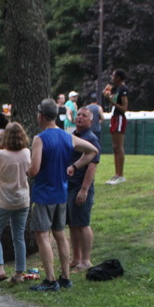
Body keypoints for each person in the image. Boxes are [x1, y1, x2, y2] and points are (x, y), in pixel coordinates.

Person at [28, 98, 98, 291]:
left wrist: (26, 171)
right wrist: (75, 166)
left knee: (43, 236)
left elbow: (34, 170)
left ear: (41, 116)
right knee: (60, 234)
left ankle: (50, 280)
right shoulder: (68, 136)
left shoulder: (40, 139)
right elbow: (92, 151)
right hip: (61, 193)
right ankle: (65, 277)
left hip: (44, 194)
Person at [0, 122, 30, 286]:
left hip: (4, 200)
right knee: (19, 236)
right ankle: (19, 273)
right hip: (22, 199)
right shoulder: (26, 152)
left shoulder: (0, 155)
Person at [68, 106, 101, 272]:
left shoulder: (91, 139)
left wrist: (84, 190)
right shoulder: (73, 136)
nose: (80, 117)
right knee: (73, 224)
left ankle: (86, 260)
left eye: (84, 116)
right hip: (69, 186)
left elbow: (92, 167)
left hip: (80, 187)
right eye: (78, 114)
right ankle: (76, 258)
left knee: (83, 224)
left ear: (91, 121)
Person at [103, 69, 129, 184]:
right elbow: (109, 98)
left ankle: (121, 175)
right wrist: (107, 94)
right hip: (114, 117)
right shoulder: (116, 88)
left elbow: (124, 108)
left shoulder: (123, 89)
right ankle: (116, 174)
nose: (112, 77)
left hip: (119, 118)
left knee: (119, 147)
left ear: (118, 77)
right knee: (115, 147)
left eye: (113, 75)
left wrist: (112, 101)